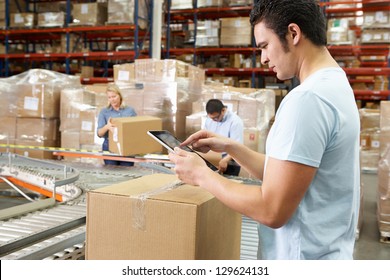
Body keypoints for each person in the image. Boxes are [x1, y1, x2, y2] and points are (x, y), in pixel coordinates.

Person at [169, 0, 360, 260]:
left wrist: (202, 175)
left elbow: (272, 209)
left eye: (265, 46)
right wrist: (232, 147)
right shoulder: (335, 84)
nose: (264, 58)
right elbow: (291, 174)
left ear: (293, 34)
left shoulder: (307, 100)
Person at [97, 84, 137, 166]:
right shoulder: (104, 112)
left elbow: (136, 129)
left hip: (127, 146)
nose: (112, 99)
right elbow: (99, 134)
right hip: (109, 146)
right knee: (112, 174)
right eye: (109, 97)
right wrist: (107, 127)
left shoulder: (130, 111)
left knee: (127, 173)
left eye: (114, 96)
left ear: (120, 96)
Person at [204, 99, 244, 176]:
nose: (214, 120)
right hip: (214, 157)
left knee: (228, 184)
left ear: (223, 110)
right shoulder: (209, 120)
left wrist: (225, 160)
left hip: (230, 158)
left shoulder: (235, 122)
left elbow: (237, 147)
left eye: (216, 118)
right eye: (211, 118)